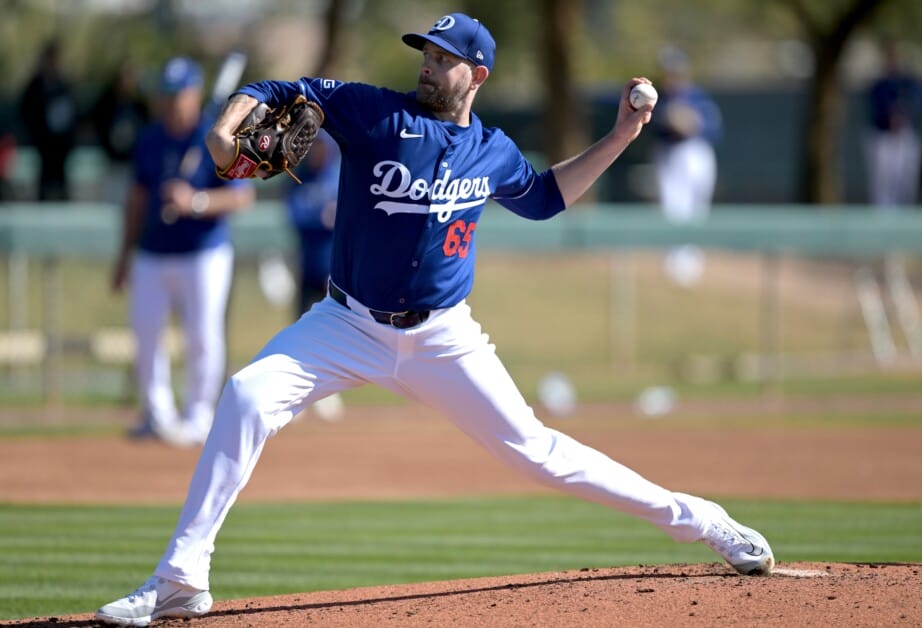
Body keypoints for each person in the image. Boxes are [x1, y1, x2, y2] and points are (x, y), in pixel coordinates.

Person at [96, 14, 773, 626]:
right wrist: (227, 124)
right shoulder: (375, 114)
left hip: (443, 337)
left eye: (442, 57)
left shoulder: (493, 150)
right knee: (245, 395)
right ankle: (183, 578)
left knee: (539, 455)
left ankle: (703, 521)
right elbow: (284, 86)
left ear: (476, 75)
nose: (426, 64)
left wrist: (622, 134)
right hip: (347, 324)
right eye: (424, 52)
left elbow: (543, 199)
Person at [109, 57, 254, 448]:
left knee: (203, 335)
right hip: (153, 251)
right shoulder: (152, 138)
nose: (173, 102)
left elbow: (243, 197)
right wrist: (123, 254)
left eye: (180, 94)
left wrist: (197, 201)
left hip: (203, 252)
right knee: (146, 334)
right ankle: (157, 414)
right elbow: (137, 199)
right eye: (167, 94)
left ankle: (199, 415)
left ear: (194, 95)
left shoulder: (216, 136)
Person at [649, 47, 722, 287]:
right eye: (668, 72)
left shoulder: (698, 97)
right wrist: (670, 123)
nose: (671, 76)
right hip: (671, 153)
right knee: (673, 207)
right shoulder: (659, 99)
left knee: (697, 207)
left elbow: (715, 129)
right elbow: (655, 130)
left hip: (697, 152)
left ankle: (692, 261)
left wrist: (694, 124)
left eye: (675, 72)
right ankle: (675, 262)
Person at [284, 129, 341, 316]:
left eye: (322, 146)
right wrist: (322, 217)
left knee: (333, 327)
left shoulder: (339, 177)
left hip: (334, 270)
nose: (318, 151)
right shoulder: (300, 178)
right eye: (315, 146)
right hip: (308, 265)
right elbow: (295, 214)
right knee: (302, 324)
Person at [864, 40, 922, 209]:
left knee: (905, 181)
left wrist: (904, 113)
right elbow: (877, 106)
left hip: (905, 135)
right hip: (883, 136)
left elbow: (916, 102)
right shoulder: (879, 84)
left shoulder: (909, 82)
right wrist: (890, 115)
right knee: (883, 182)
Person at [18, 40, 78, 201]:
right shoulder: (36, 86)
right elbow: (26, 110)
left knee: (60, 182)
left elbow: (71, 111)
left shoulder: (63, 83)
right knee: (44, 182)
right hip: (43, 144)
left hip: (61, 145)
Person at [92, 60, 152, 204]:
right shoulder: (108, 102)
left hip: (134, 163)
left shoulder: (139, 105)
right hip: (113, 163)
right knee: (112, 201)